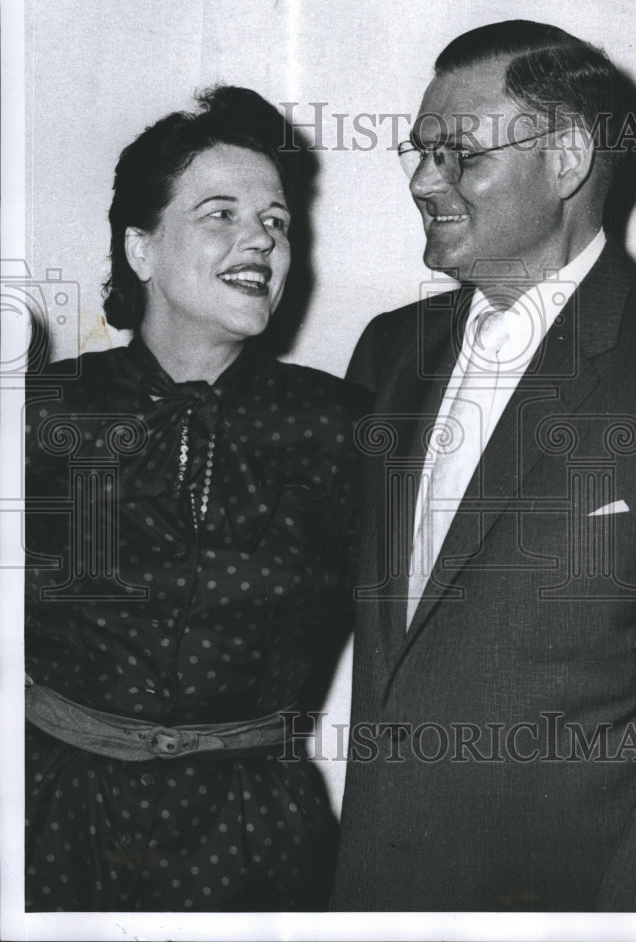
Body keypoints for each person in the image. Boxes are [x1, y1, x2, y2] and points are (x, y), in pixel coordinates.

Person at [332, 21, 636, 912]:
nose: (424, 181)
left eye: (458, 153)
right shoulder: (388, 353)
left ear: (568, 157)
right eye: (419, 153)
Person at [24, 86, 364, 911]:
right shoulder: (40, 410)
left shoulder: (341, 423)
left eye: (277, 222)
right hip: (51, 820)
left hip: (254, 838)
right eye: (222, 214)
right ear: (141, 248)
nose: (261, 239)